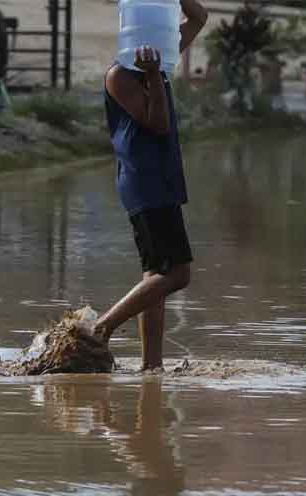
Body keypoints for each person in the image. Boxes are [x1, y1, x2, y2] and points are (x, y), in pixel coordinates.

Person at [91, 0, 208, 371]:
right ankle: (101, 328)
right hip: (146, 183)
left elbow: (199, 18)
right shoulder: (120, 76)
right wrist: (154, 75)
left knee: (154, 278)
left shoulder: (164, 58)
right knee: (176, 274)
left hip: (160, 179)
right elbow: (157, 123)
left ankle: (151, 368)